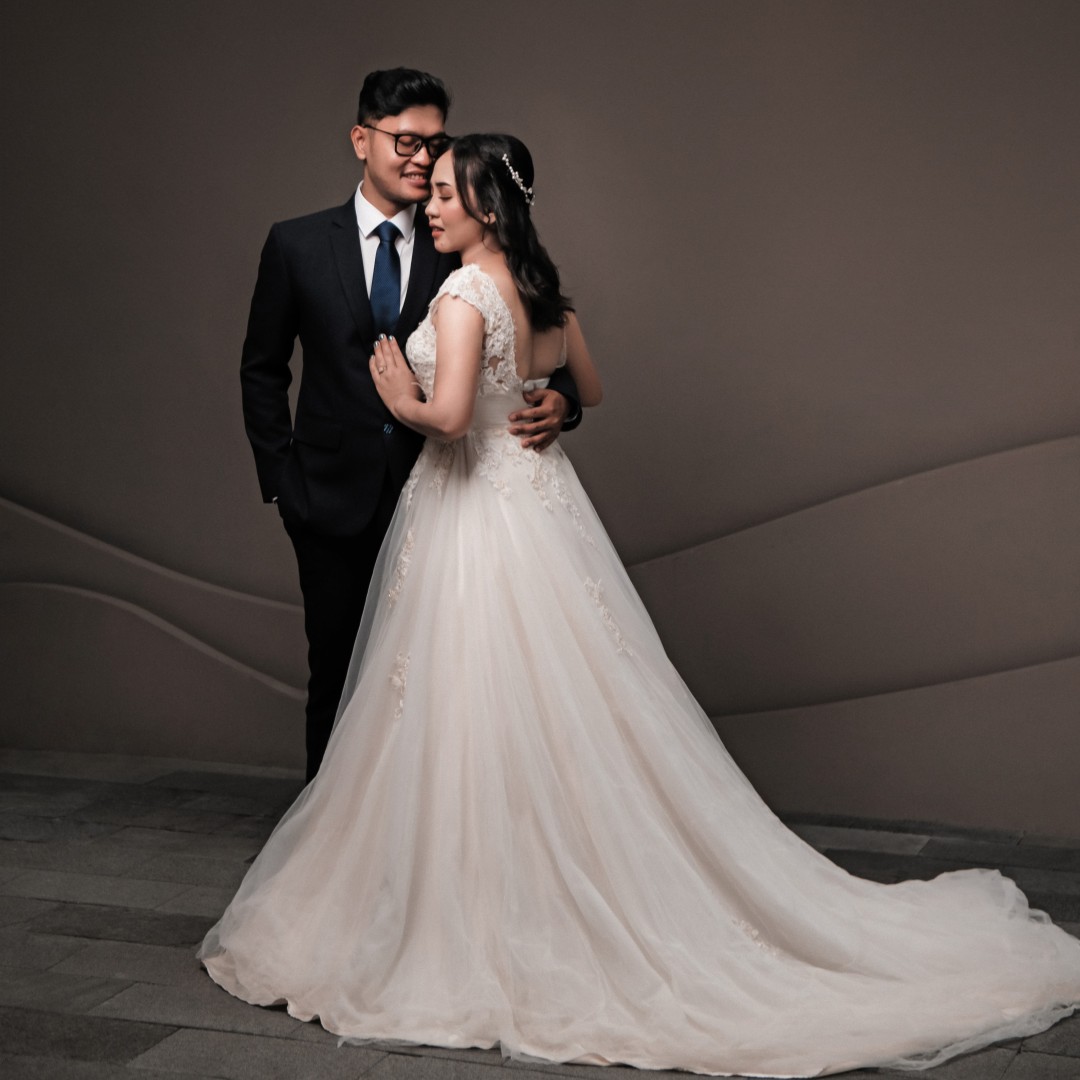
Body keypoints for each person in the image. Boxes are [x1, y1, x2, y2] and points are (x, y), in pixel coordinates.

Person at [203, 134, 1080, 1075]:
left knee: (468, 695)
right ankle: (530, 878)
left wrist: (399, 395)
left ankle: (482, 899)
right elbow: (588, 386)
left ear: (489, 207)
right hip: (538, 506)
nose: (433, 205)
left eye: (449, 193)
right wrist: (542, 404)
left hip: (470, 511)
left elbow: (450, 422)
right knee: (557, 694)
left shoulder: (461, 296)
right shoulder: (547, 296)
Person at [239, 70, 580, 782]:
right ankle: (331, 828)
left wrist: (562, 398)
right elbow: (262, 369)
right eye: (406, 141)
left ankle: (428, 827)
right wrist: (282, 482)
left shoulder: (456, 234)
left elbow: (529, 317)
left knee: (445, 681)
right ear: (361, 140)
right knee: (336, 671)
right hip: (328, 496)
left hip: (447, 497)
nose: (423, 158)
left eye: (435, 143)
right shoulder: (297, 244)